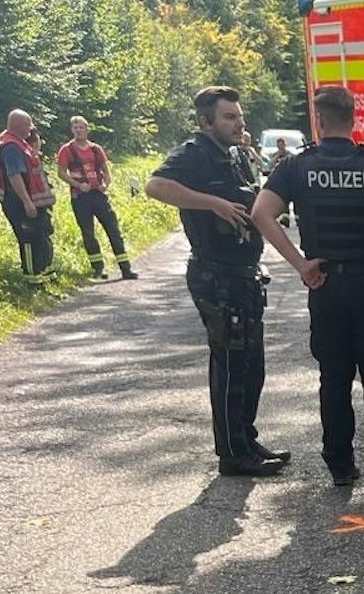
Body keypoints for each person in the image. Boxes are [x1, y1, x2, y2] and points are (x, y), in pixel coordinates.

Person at [251, 86, 364, 491]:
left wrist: (300, 265)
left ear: (319, 120)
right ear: (354, 119)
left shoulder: (296, 166)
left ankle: (341, 467)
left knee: (334, 377)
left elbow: (261, 212)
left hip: (324, 283)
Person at [146, 86, 287, 479]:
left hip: (244, 274)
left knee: (251, 363)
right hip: (216, 274)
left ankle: (246, 439)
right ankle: (233, 454)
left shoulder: (238, 154)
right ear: (205, 121)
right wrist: (213, 204)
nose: (238, 122)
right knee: (230, 364)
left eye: (239, 116)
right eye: (229, 117)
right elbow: (155, 187)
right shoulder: (193, 153)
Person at [55, 116, 138, 281]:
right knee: (88, 232)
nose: (78, 130)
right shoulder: (67, 149)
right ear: (72, 130)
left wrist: (105, 185)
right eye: (75, 128)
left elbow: (106, 171)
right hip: (80, 197)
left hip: (98, 195)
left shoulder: (95, 149)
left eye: (81, 127)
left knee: (113, 229)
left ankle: (125, 268)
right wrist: (77, 185)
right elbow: (61, 173)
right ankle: (98, 269)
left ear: (87, 129)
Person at [0, 110, 56, 283]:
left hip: (31, 200)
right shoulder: (12, 147)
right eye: (29, 125)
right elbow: (14, 176)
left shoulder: (17, 141)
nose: (31, 129)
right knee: (28, 239)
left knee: (40, 235)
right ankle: (32, 280)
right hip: (19, 201)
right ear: (19, 127)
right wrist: (27, 202)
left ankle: (45, 273)